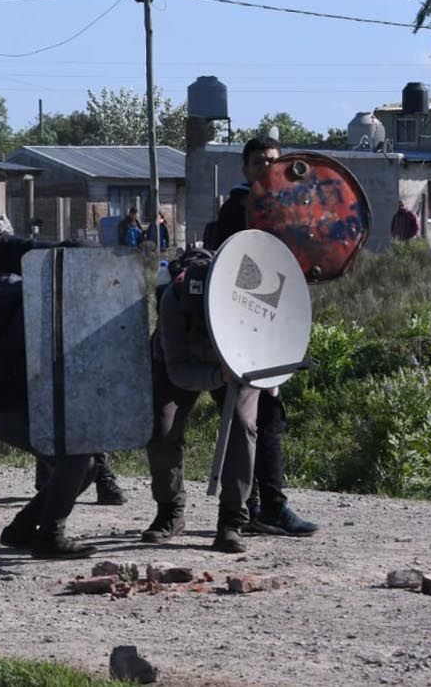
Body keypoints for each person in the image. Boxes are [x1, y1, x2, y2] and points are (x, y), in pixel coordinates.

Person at [0, 196, 127, 505]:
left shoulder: (12, 248)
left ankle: (103, 478)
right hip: (9, 353)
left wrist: (92, 258)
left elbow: (62, 250)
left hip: (45, 342)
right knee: (32, 414)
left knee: (71, 410)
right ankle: (47, 483)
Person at [201, 136, 317, 538]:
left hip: (266, 329)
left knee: (268, 418)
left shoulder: (288, 211)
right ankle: (252, 508)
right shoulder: (238, 209)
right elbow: (236, 272)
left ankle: (266, 506)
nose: (268, 167)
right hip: (236, 331)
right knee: (247, 420)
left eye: (274, 161)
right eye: (259, 162)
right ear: (245, 168)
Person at [0, 274, 98, 558]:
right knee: (77, 458)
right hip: (10, 408)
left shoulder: (34, 304)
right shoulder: (38, 316)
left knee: (85, 466)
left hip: (1, 407)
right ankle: (50, 536)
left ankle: (22, 529)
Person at [143, 249, 260, 553]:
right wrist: (216, 376)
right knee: (161, 427)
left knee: (242, 425)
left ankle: (232, 521)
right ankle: (170, 510)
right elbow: (179, 370)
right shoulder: (175, 299)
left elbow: (269, 338)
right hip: (183, 364)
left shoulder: (248, 301)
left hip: (238, 364)